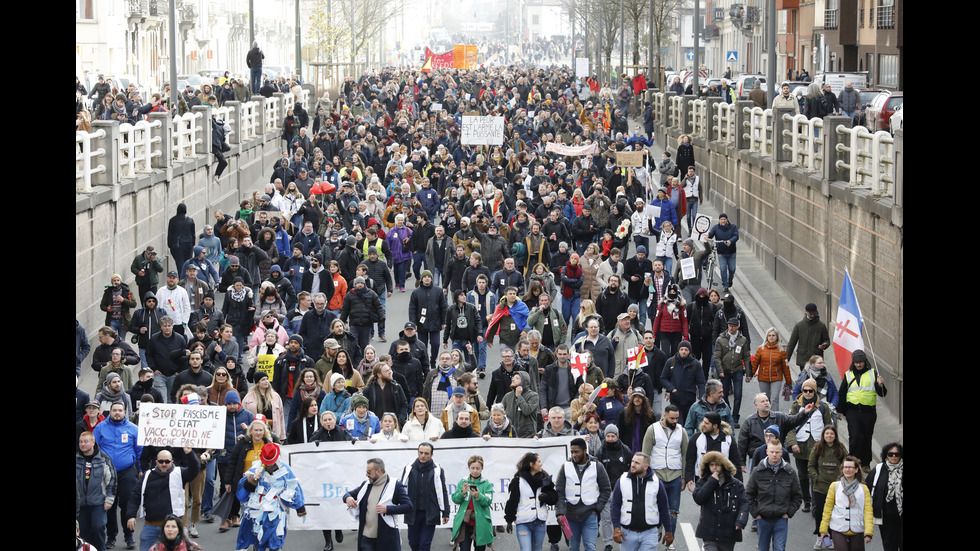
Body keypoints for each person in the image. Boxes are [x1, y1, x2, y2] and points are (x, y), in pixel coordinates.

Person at [126, 448, 201, 551]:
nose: (164, 464)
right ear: (156, 462)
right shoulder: (147, 475)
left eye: (167, 461)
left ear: (172, 461)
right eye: (161, 461)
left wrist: (189, 453)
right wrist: (131, 516)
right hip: (150, 526)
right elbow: (135, 495)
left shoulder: (180, 473)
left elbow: (195, 469)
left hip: (172, 526)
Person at [236, 442, 307, 551]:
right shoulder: (256, 468)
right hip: (257, 508)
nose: (269, 465)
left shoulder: (285, 469)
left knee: (275, 537)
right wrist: (253, 480)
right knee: (255, 534)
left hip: (275, 510)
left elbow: (294, 487)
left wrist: (300, 508)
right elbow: (243, 489)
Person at [94, 401, 141, 550]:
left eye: (120, 410)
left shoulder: (133, 429)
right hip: (106, 472)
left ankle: (129, 535)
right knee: (109, 505)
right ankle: (111, 536)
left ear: (125, 412)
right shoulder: (101, 427)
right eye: (114, 410)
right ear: (110, 411)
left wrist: (141, 469)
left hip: (127, 471)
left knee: (127, 503)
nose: (117, 413)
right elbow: (95, 448)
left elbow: (140, 451)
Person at [343, 458, 415, 551]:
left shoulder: (395, 485)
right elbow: (348, 494)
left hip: (387, 539)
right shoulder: (366, 485)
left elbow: (408, 506)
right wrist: (348, 498)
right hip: (366, 539)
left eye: (369, 472)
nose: (366, 475)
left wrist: (388, 509)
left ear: (378, 471)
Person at [555, 438, 612, 551]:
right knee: (573, 547)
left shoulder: (597, 466)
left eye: (577, 451)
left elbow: (606, 489)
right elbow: (559, 492)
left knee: (590, 547)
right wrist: (560, 512)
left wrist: (597, 509)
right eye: (572, 452)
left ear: (585, 451)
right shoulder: (565, 467)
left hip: (590, 514)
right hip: (570, 515)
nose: (574, 455)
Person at [745, 440, 803, 551]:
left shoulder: (790, 472)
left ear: (781, 452)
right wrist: (755, 513)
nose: (774, 454)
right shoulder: (757, 471)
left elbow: (797, 496)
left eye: (777, 452)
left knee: (780, 548)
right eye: (772, 452)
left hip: (781, 518)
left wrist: (789, 512)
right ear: (767, 452)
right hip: (762, 519)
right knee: (762, 548)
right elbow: (748, 494)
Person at [610, 452, 674, 551]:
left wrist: (668, 531)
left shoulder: (657, 483)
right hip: (627, 533)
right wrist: (616, 528)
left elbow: (664, 508)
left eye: (637, 463)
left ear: (645, 467)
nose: (633, 464)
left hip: (650, 533)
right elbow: (615, 506)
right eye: (632, 461)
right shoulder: (622, 481)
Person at [837, 350, 887, 471]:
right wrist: (841, 410)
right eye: (856, 362)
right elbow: (842, 393)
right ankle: (853, 460)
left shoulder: (873, 373)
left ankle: (865, 463)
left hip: (868, 411)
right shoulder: (848, 374)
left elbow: (882, 394)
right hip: (852, 411)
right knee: (855, 436)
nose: (859, 365)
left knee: (866, 437)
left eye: (861, 362)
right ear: (853, 362)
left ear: (865, 362)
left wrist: (881, 385)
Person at [693, 451, 750, 551]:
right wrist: (711, 482)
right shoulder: (703, 482)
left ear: (723, 465)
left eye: (717, 464)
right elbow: (698, 498)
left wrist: (741, 521)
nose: (715, 467)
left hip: (728, 532)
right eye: (712, 465)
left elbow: (744, 503)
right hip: (709, 532)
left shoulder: (735, 484)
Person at [399, 443, 451, 551]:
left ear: (432, 455)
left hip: (430, 512)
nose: (423, 456)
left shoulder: (438, 470)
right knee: (413, 542)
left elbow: (443, 491)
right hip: (412, 513)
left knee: (424, 545)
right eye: (421, 453)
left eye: (426, 453)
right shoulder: (409, 468)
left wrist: (446, 512)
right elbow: (402, 488)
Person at [504, 452, 559, 551]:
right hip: (523, 523)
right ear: (531, 464)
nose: (541, 464)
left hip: (540, 523)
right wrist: (509, 520)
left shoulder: (545, 480)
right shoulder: (518, 481)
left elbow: (554, 497)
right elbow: (512, 502)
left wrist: (546, 496)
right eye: (539, 461)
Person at [819, 457, 873, 551]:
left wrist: (869, 532)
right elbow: (827, 509)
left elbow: (868, 511)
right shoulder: (835, 486)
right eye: (845, 467)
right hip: (838, 529)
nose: (847, 469)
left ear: (856, 470)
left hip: (857, 530)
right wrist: (823, 529)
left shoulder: (863, 489)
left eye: (850, 467)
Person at [76, 431, 117, 551]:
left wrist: (109, 499)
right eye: (81, 442)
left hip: (98, 502)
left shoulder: (104, 458)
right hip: (81, 503)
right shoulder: (77, 459)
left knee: (98, 527)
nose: (83, 444)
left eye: (86, 442)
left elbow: (112, 479)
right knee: (82, 531)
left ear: (93, 442)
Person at [808, 426, 847, 548]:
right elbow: (811, 465)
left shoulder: (840, 448)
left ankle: (831, 537)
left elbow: (847, 464)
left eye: (831, 434)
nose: (829, 436)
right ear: (823, 435)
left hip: (836, 488)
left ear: (835, 435)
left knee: (834, 514)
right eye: (827, 433)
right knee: (820, 513)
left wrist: (842, 481)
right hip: (820, 487)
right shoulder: (817, 448)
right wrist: (816, 478)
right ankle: (821, 537)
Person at [451, 455, 495, 551]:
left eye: (478, 468)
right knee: (464, 549)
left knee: (480, 549)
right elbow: (455, 499)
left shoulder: (486, 483)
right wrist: (462, 493)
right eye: (472, 468)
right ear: (469, 468)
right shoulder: (463, 481)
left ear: (482, 468)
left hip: (481, 523)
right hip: (465, 524)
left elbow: (488, 502)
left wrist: (478, 495)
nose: (475, 471)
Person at [713, 317, 750, 428]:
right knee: (723, 395)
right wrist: (720, 370)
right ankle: (727, 413)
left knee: (738, 395)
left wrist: (749, 373)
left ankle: (735, 417)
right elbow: (716, 357)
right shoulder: (721, 339)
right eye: (730, 326)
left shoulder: (743, 340)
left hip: (738, 370)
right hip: (725, 371)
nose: (731, 328)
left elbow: (747, 357)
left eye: (733, 326)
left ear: (737, 326)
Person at [867, 443, 903, 551]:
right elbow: (867, 487)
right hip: (886, 516)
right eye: (890, 454)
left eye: (897, 454)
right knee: (889, 545)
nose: (893, 456)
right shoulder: (879, 469)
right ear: (886, 455)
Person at [750, 328, 793, 412]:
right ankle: (765, 415)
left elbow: (786, 367)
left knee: (774, 399)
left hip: (776, 378)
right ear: (767, 337)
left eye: (773, 335)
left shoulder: (781, 350)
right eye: (769, 335)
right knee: (766, 400)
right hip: (763, 378)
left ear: (777, 337)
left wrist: (789, 381)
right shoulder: (760, 349)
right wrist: (750, 375)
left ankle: (774, 418)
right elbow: (755, 363)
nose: (771, 337)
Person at [785, 303, 831, 372]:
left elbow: (827, 340)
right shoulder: (799, 325)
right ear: (806, 311)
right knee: (805, 381)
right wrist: (786, 359)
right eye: (811, 313)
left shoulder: (821, 326)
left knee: (815, 381)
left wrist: (824, 345)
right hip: (803, 360)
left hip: (816, 360)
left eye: (814, 313)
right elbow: (791, 344)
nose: (813, 315)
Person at [706, 214, 738, 291]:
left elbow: (736, 236)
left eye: (724, 219)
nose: (723, 221)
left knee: (732, 269)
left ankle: (730, 280)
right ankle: (725, 285)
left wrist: (731, 241)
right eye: (721, 219)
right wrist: (707, 237)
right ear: (719, 220)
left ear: (727, 220)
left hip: (731, 252)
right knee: (723, 269)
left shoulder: (733, 227)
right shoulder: (716, 228)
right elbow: (710, 235)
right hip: (721, 253)